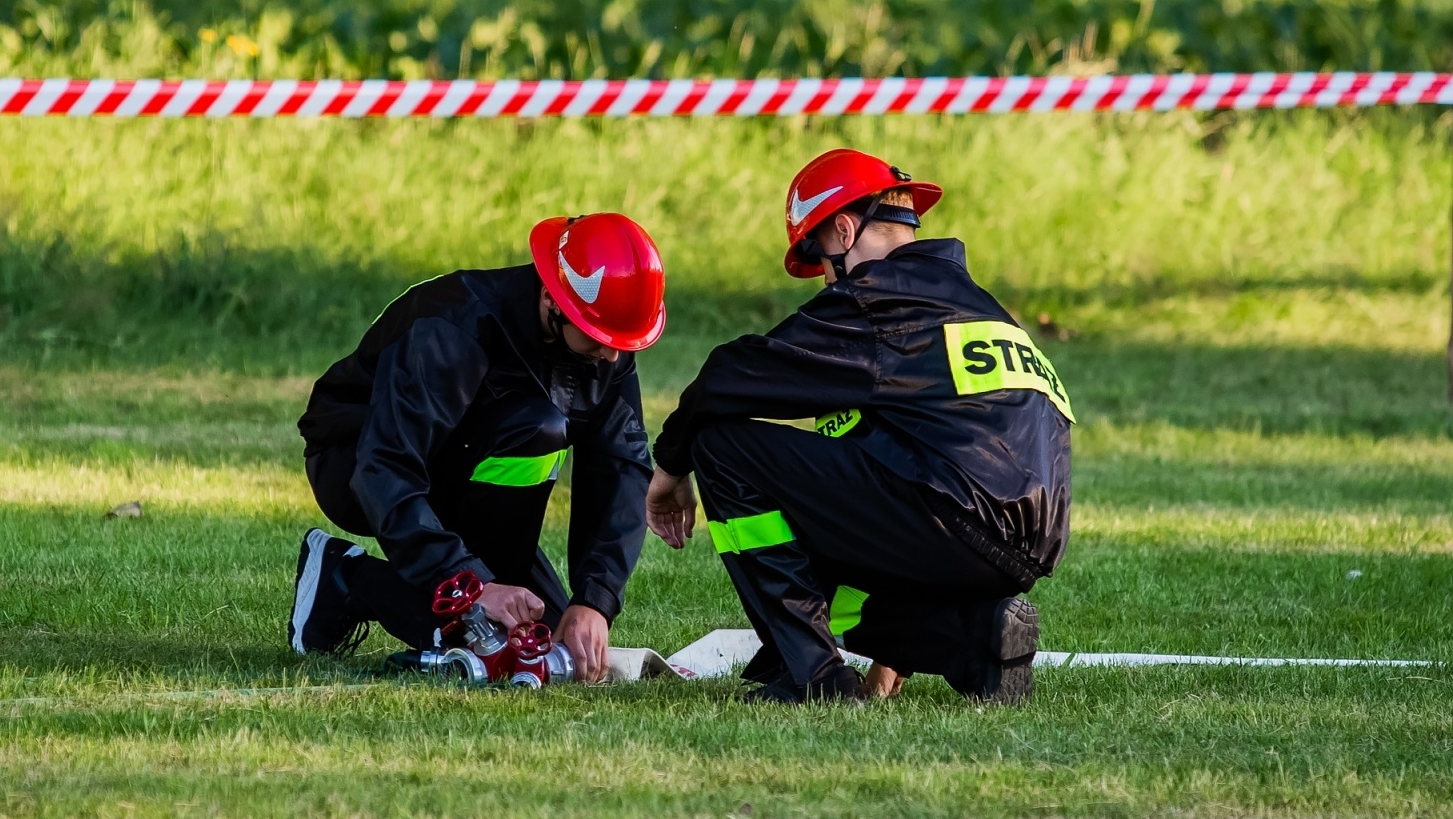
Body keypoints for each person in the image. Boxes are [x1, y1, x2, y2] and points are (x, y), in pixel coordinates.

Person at [645, 148, 1072, 705]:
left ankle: (813, 677)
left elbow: (729, 374)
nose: (824, 281)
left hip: (950, 520)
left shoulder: (876, 300)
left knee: (723, 445)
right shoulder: (987, 310)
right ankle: (977, 639)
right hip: (1022, 548)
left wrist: (670, 469)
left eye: (819, 258)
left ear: (845, 230)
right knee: (827, 503)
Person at [289, 213, 666, 683]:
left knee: (540, 637)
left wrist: (595, 599)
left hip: (458, 467)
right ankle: (346, 580)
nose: (612, 356)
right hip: (355, 462)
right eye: (599, 338)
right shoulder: (453, 329)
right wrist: (471, 583)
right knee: (538, 429)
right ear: (553, 299)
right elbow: (385, 467)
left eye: (620, 342)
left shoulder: (601, 346)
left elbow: (622, 470)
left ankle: (484, 584)